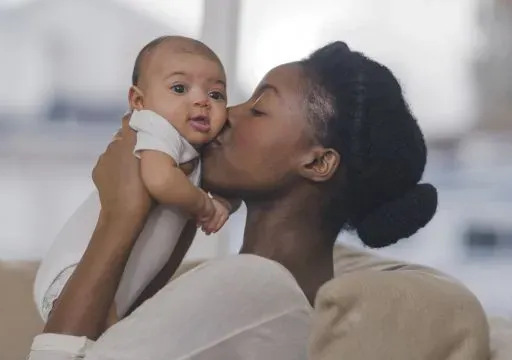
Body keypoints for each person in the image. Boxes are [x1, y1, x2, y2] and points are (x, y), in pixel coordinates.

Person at [28, 41, 439, 360]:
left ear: (318, 162)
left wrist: (121, 215)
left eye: (259, 109)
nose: (226, 115)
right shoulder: (271, 293)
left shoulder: (257, 287)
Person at [34, 36, 235, 323]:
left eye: (216, 95)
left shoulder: (195, 150)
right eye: (180, 88)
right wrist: (205, 206)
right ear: (139, 101)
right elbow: (161, 180)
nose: (202, 100)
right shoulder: (154, 127)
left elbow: (230, 186)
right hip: (74, 275)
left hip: (118, 283)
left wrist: (225, 203)